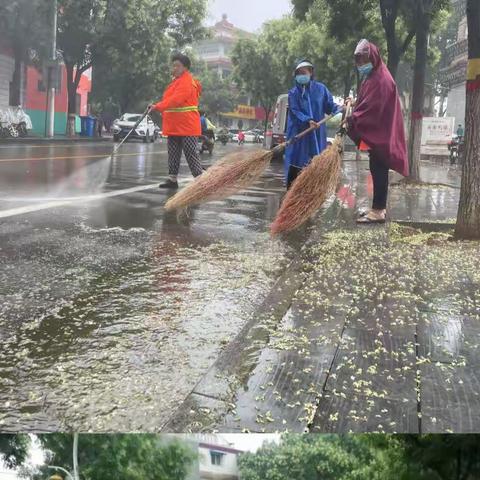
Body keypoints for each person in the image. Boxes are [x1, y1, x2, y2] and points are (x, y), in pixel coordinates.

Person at [347, 39, 408, 224]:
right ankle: (376, 207)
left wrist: (351, 119)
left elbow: (371, 109)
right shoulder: (372, 76)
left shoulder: (381, 79)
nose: (361, 65)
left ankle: (379, 211)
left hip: (382, 132)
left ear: (373, 57)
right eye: (358, 61)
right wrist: (352, 106)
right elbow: (364, 102)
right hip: (379, 132)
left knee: (379, 169)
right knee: (376, 168)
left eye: (364, 60)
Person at [285, 60, 342, 189]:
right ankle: (292, 192)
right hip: (299, 134)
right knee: (297, 162)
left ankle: (311, 192)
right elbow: (295, 111)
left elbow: (329, 106)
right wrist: (307, 120)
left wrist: (338, 108)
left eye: (304, 72)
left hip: (317, 132)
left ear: (311, 72)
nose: (301, 75)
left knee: (315, 161)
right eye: (298, 73)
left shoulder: (321, 89)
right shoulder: (293, 93)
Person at [152, 53, 204, 189]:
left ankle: (200, 182)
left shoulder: (186, 82)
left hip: (187, 126)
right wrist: (158, 107)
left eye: (177, 66)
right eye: (173, 65)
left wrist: (158, 106)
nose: (174, 68)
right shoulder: (175, 82)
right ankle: (172, 180)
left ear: (185, 68)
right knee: (173, 153)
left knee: (190, 153)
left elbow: (176, 100)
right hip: (175, 126)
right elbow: (169, 101)